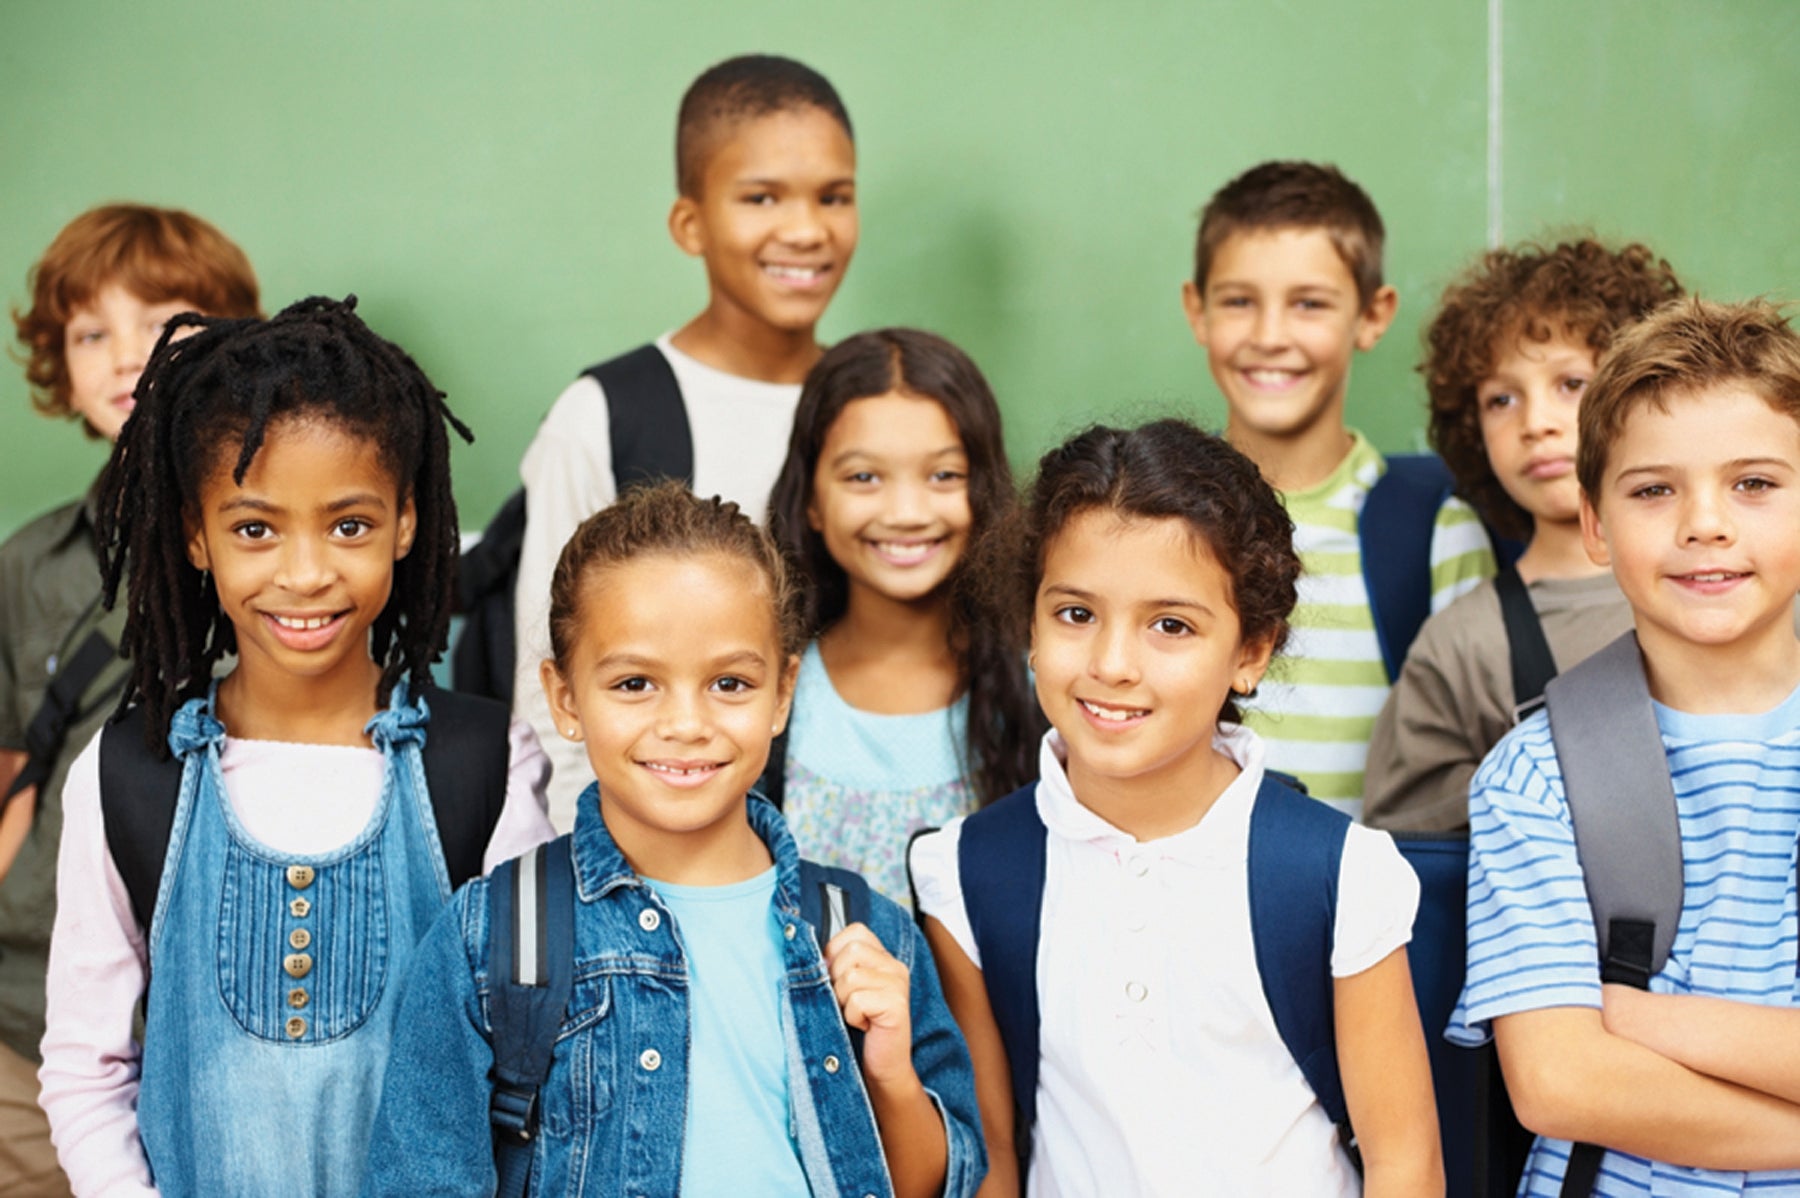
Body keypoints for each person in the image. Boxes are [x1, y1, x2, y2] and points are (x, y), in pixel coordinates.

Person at [36, 297, 554, 1196]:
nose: (306, 573)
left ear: (406, 523)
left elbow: (531, 1059)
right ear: (197, 538)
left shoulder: (485, 765)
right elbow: (88, 1070)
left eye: (349, 525)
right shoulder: (128, 775)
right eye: (254, 528)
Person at [362, 482, 983, 1198]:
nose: (686, 723)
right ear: (564, 698)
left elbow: (937, 1184)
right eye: (634, 684)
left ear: (783, 692)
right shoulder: (489, 940)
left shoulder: (865, 931)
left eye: (729, 682)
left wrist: (892, 1074)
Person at [912, 420, 1441, 1196]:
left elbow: (1405, 1164)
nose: (1113, 665)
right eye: (1075, 614)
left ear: (1252, 651)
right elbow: (991, 1155)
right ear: (1029, 623)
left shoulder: (1339, 875)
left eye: (1171, 625)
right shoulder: (968, 872)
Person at [1448, 298, 1800, 1193]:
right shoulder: (1535, 775)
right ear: (1596, 526)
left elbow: (1597, 1047)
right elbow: (1561, 1081)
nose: (1705, 524)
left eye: (1754, 483)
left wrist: (1637, 1018)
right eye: (1653, 489)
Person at [513, 53, 859, 828]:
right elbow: (549, 702)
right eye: (762, 196)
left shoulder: (879, 408)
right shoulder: (606, 413)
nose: (805, 230)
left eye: (833, 197)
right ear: (690, 222)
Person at [0, 203, 259, 1198]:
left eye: (161, 322)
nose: (125, 357)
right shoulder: (32, 564)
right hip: (36, 1010)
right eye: (90, 331)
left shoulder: (286, 539)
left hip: (234, 999)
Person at [1179, 160, 1493, 815]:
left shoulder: (1433, 527)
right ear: (1197, 311)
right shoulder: (1158, 521)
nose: (1270, 336)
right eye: (1239, 301)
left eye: (1309, 304)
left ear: (1373, 316)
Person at [1364, 239, 1684, 832]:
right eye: (1501, 399)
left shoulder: (1740, 583)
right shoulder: (1463, 646)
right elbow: (1406, 843)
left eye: (1572, 384)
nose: (1536, 423)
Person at [764, 327, 1039, 905]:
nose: (907, 513)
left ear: (984, 488)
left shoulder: (1039, 685)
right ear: (811, 499)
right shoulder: (769, 694)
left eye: (944, 475)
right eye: (863, 477)